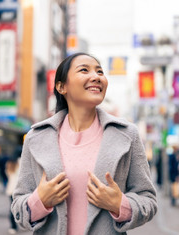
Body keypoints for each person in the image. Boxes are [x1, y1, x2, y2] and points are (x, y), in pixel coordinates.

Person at [11, 52, 157, 234]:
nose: (96, 77)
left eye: (100, 72)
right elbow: (18, 207)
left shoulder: (127, 134)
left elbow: (148, 200)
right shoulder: (37, 137)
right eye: (84, 70)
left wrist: (120, 204)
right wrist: (40, 200)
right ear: (61, 86)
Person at [6, 157, 20, 234]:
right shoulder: (20, 163)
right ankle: (14, 226)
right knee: (17, 208)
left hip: (10, 190)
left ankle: (13, 226)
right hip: (17, 190)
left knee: (12, 208)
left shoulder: (9, 165)